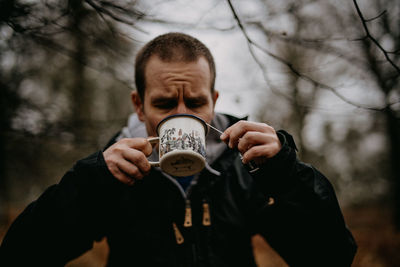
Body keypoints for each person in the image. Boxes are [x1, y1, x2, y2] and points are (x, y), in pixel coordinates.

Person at [0, 32, 357, 266]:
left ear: (214, 101)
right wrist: (89, 183)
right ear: (139, 105)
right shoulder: (114, 170)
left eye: (197, 102)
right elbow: (22, 256)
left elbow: (331, 257)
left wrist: (288, 175)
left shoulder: (247, 165)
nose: (183, 116)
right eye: (166, 103)